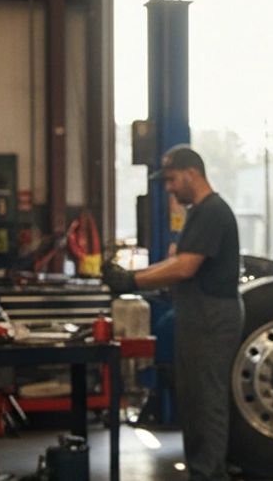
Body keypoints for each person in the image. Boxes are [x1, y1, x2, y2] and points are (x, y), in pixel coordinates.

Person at [103, 145, 243, 481]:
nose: (168, 187)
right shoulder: (199, 212)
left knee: (207, 400)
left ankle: (209, 474)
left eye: (171, 179)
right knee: (195, 400)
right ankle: (202, 470)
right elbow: (177, 260)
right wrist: (137, 276)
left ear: (191, 173)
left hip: (212, 316)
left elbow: (184, 267)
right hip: (198, 316)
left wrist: (130, 280)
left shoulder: (212, 211)